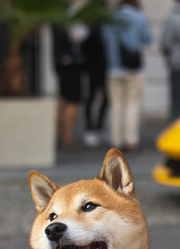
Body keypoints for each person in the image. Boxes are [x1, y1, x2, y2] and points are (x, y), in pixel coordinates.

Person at [101, 0, 153, 152]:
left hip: (113, 68)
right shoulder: (139, 16)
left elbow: (103, 39)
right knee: (133, 104)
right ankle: (130, 140)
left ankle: (116, 140)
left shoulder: (109, 17)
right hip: (134, 69)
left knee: (116, 104)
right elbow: (148, 39)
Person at [52, 23, 89, 148]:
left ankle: (62, 135)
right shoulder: (69, 17)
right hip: (71, 63)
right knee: (72, 100)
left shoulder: (57, 16)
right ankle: (67, 137)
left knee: (63, 98)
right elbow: (77, 35)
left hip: (61, 62)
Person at [82, 22, 108, 148]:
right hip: (94, 68)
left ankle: (99, 127)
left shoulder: (108, 27)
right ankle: (90, 128)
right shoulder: (91, 30)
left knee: (106, 98)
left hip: (105, 68)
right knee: (91, 97)